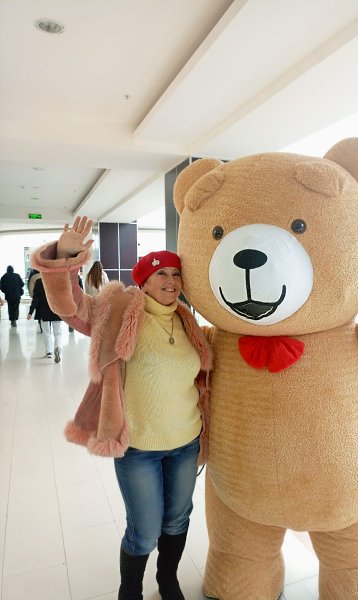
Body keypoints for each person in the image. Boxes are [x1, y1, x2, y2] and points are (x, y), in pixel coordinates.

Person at [32, 216, 213, 600]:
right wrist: (65, 257)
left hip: (185, 443)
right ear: (143, 281)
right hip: (138, 447)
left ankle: (167, 581)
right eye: (160, 273)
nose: (170, 280)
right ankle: (129, 591)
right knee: (144, 531)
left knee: (177, 519)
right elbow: (70, 307)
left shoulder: (188, 322)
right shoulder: (117, 311)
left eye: (176, 273)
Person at [27, 277, 63, 362]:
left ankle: (49, 352)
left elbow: (36, 298)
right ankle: (57, 348)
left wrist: (30, 312)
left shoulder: (39, 282)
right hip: (56, 310)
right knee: (58, 333)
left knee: (46, 332)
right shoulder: (58, 280)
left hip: (44, 311)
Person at [27, 268, 43, 332]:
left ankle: (40, 323)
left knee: (39, 310)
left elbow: (30, 286)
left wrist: (32, 295)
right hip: (48, 297)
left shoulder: (33, 276)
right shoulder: (48, 274)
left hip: (38, 297)